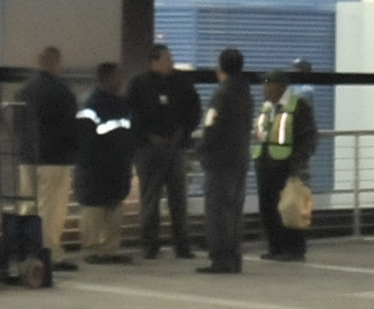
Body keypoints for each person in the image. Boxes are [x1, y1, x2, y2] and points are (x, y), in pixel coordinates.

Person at [126, 41, 202, 263]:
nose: (171, 62)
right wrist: (148, 136)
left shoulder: (181, 82)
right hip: (147, 151)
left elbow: (194, 111)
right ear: (154, 61)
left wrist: (182, 132)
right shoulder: (139, 84)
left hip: (176, 149)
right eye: (167, 58)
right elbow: (131, 114)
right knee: (150, 198)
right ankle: (150, 245)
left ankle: (182, 244)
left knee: (178, 198)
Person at [19, 44, 82, 272]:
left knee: (29, 205)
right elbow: (71, 127)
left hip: (27, 156)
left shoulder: (24, 90)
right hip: (55, 158)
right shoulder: (61, 91)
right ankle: (49, 253)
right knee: (52, 209)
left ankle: (26, 249)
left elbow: (16, 122)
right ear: (55, 62)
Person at [195, 48, 255, 275]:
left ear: (220, 68)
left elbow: (211, 125)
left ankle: (220, 258)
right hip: (240, 158)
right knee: (235, 210)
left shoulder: (221, 94)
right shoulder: (246, 93)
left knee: (218, 210)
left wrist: (201, 149)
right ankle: (233, 256)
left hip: (219, 160)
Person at [73, 61, 136, 263]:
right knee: (94, 208)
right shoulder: (90, 105)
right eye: (117, 76)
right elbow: (84, 139)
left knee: (114, 206)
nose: (121, 81)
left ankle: (110, 248)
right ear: (105, 78)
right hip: (95, 167)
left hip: (117, 165)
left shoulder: (122, 104)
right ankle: (92, 249)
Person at [257, 61, 321, 260]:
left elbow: (309, 136)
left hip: (287, 166)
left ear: (280, 87)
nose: (264, 88)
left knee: (291, 207)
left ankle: (294, 249)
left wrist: (299, 162)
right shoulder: (268, 107)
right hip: (266, 164)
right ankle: (276, 247)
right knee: (269, 207)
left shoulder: (297, 105)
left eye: (268, 84)